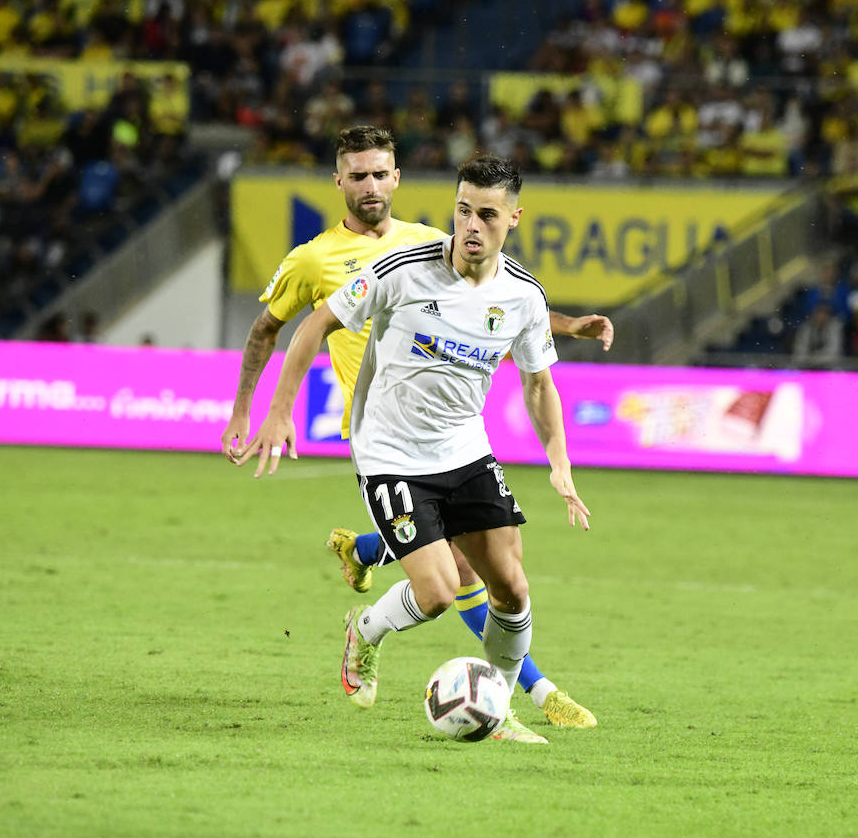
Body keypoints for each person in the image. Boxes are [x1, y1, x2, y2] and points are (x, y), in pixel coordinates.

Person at [220, 127, 610, 738]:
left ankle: (500, 705)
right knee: (437, 591)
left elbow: (538, 382)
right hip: (390, 451)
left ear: (513, 219)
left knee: (511, 586)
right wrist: (275, 410)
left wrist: (559, 462)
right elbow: (311, 325)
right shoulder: (403, 267)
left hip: (465, 450)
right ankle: (365, 631)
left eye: (485, 214)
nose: (470, 226)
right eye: (462, 210)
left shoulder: (523, 295)